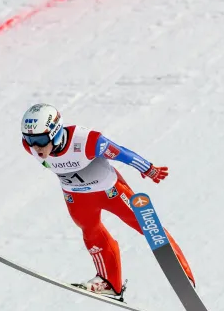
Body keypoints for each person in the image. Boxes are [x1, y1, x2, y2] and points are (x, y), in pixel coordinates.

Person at [20, 103, 195, 300]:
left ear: (56, 131)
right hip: (76, 197)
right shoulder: (30, 147)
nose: (35, 146)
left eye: (41, 139)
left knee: (145, 224)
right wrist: (37, 142)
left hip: (110, 190)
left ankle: (181, 271)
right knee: (91, 232)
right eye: (29, 139)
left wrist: (148, 169)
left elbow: (122, 153)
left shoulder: (87, 141)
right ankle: (109, 282)